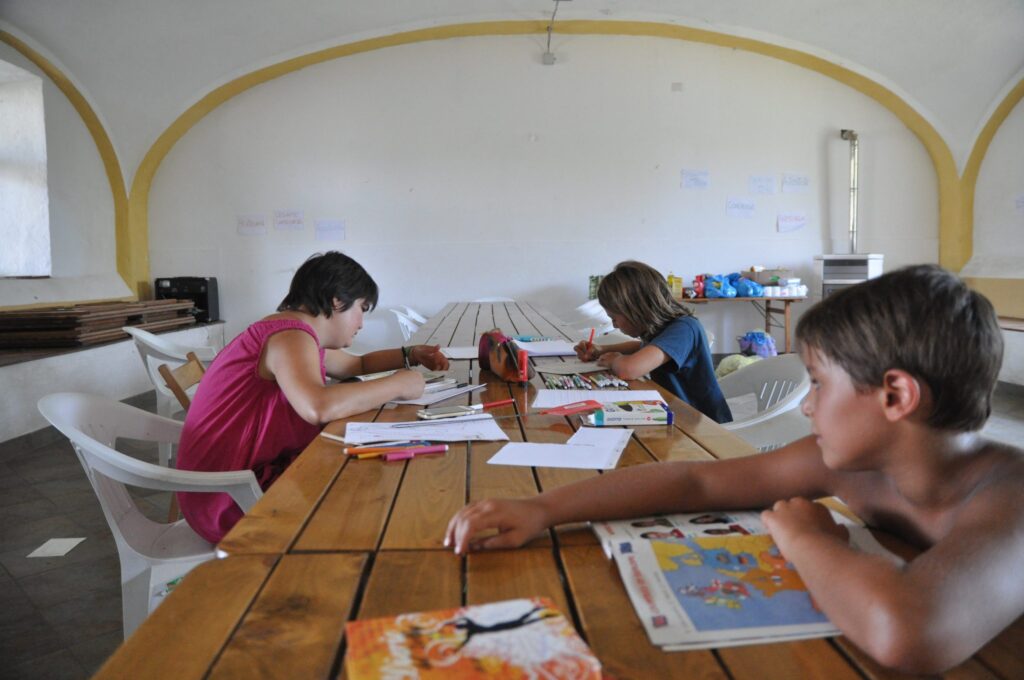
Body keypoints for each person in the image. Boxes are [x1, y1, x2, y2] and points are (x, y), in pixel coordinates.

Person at [446, 264, 1024, 674]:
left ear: (895, 397)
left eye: (818, 384)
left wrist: (806, 541)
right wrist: (542, 508)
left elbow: (908, 634)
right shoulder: (856, 466)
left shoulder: (1010, 498)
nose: (804, 405)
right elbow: (696, 479)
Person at [177, 251, 449, 543]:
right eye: (362, 308)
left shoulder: (298, 334)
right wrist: (398, 385)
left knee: (366, 473)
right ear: (336, 300)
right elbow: (317, 407)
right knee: (379, 496)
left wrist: (409, 355)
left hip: (227, 484)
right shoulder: (290, 336)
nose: (361, 323)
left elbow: (356, 365)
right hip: (230, 498)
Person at [574, 261, 731, 423]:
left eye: (614, 318)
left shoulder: (683, 329)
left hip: (702, 423)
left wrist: (615, 360)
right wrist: (600, 349)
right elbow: (642, 348)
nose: (614, 325)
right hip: (675, 412)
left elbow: (629, 369)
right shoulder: (663, 328)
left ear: (636, 310)